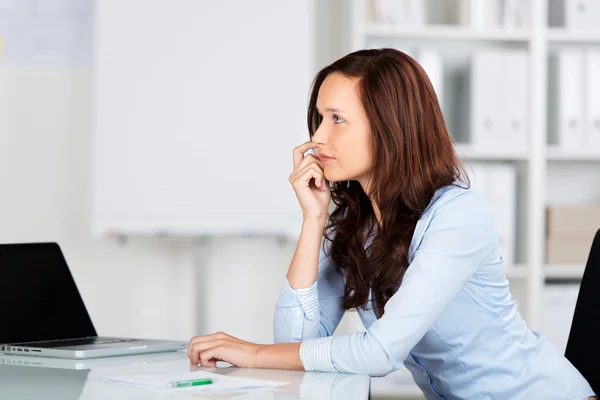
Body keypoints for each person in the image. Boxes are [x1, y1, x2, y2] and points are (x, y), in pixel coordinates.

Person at [187, 48, 595, 399]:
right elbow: (295, 346)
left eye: (337, 119)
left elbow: (379, 353)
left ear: (389, 129)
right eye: (318, 117)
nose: (317, 138)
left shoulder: (457, 217)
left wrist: (253, 353)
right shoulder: (358, 224)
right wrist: (313, 219)